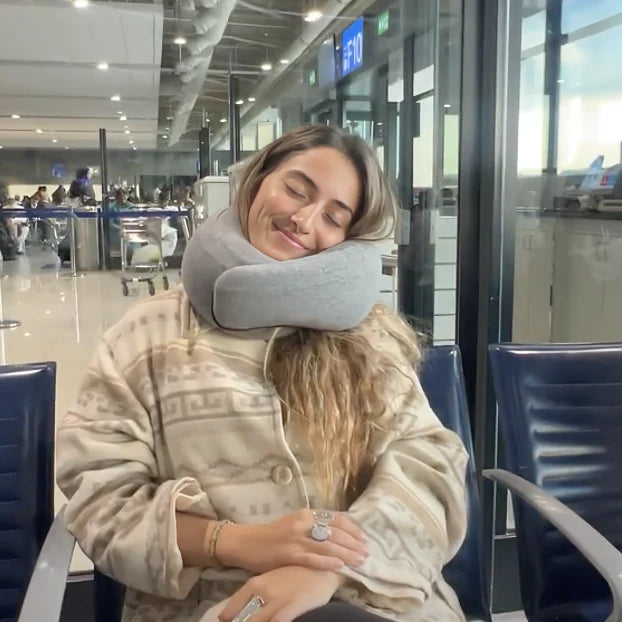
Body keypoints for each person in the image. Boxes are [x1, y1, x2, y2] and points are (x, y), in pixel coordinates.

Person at [57, 126, 468, 622]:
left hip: (373, 598)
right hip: (213, 605)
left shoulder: (370, 339)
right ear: (256, 183)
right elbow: (100, 498)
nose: (304, 219)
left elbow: (431, 467)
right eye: (296, 190)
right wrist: (235, 542)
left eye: (334, 218)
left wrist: (333, 570)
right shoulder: (144, 335)